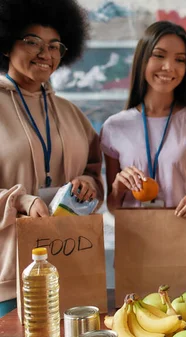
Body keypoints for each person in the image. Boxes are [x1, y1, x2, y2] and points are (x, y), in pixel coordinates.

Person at [0, 0, 103, 317]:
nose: (46, 54)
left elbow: (95, 171)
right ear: (6, 44)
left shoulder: (71, 113)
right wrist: (20, 200)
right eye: (32, 41)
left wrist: (88, 183)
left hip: (70, 262)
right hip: (8, 273)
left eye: (55, 46)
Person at [100, 21, 186, 291]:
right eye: (159, 55)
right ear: (143, 58)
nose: (169, 67)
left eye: (180, 60)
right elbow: (114, 206)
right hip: (138, 251)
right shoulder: (114, 126)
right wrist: (120, 183)